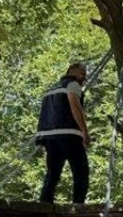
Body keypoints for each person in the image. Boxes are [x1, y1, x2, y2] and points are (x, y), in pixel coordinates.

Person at [36, 62, 91, 203]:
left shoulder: (51, 89)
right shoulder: (72, 85)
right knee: (80, 170)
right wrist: (84, 130)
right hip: (69, 133)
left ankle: (45, 202)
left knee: (53, 172)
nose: (84, 77)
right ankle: (78, 204)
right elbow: (75, 106)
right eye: (82, 73)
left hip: (50, 136)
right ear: (71, 70)